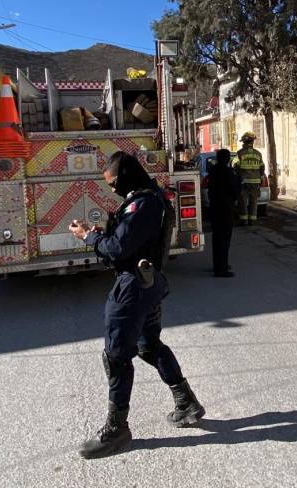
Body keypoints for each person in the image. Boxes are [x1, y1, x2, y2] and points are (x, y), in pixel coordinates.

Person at [68, 152, 205, 459]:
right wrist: (107, 233)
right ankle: (186, 402)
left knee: (116, 356)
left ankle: (116, 431)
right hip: (149, 282)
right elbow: (128, 241)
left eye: (114, 182)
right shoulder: (147, 197)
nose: (113, 188)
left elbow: (118, 249)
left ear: (127, 175)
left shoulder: (143, 203)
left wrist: (89, 236)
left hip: (133, 287)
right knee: (148, 346)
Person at [206, 148, 239, 277]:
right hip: (225, 208)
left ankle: (218, 265)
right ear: (227, 159)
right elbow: (233, 190)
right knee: (224, 238)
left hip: (214, 207)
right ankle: (221, 269)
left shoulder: (213, 170)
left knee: (217, 237)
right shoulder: (228, 172)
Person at [232, 131, 265, 226]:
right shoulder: (258, 154)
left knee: (243, 201)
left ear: (245, 143)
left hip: (244, 182)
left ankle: (244, 220)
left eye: (243, 142)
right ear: (252, 142)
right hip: (255, 182)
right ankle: (252, 220)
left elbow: (234, 165)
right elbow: (262, 167)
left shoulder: (240, 153)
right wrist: (260, 178)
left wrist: (239, 175)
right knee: (254, 201)